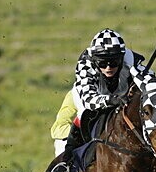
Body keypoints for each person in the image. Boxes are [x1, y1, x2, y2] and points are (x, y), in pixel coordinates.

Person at [50, 29, 145, 158]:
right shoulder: (85, 64)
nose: (108, 68)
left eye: (114, 62)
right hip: (85, 100)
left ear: (121, 58)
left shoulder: (131, 60)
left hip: (118, 96)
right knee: (85, 117)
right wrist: (112, 100)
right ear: (95, 61)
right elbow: (89, 100)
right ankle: (65, 164)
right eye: (102, 63)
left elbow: (150, 84)